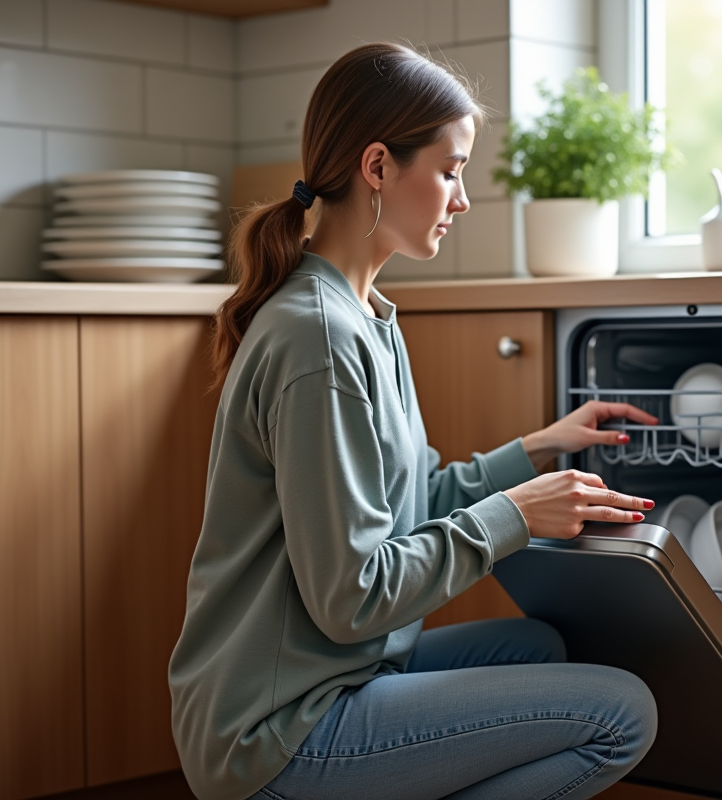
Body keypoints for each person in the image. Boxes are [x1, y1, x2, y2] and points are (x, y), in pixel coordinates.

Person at [168, 42, 660, 800]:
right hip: (276, 731)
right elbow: (353, 598)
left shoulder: (365, 317)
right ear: (377, 168)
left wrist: (535, 451)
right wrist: (514, 517)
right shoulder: (319, 337)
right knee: (623, 714)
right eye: (451, 169)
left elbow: (411, 502)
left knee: (538, 647)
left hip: (330, 679)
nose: (462, 198)